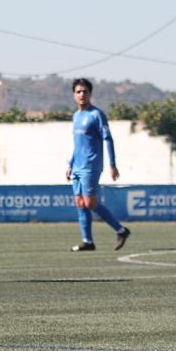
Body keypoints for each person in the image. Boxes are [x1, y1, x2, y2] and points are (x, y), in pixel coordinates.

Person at [66, 78, 130, 252]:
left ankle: (121, 230)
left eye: (85, 91)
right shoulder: (76, 116)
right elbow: (77, 145)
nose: (82, 95)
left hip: (91, 165)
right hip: (77, 166)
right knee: (80, 202)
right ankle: (87, 241)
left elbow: (107, 139)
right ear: (74, 95)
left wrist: (112, 164)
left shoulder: (96, 114)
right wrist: (70, 164)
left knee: (90, 202)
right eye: (78, 92)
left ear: (90, 94)